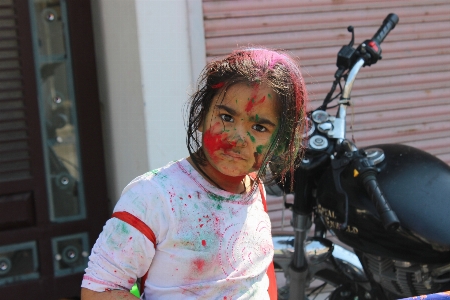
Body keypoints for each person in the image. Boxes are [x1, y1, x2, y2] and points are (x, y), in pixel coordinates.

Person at [81, 47, 308, 299]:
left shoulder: (255, 189)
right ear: (202, 116)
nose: (237, 138)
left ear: (280, 138)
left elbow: (260, 279)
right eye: (226, 117)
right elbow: (99, 290)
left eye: (259, 126)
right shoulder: (153, 196)